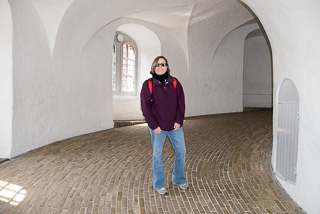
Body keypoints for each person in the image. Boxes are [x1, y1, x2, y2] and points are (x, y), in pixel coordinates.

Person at [140, 56, 188, 195]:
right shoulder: (148, 84)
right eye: (157, 65)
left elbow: (181, 103)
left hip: (175, 126)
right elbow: (145, 107)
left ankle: (178, 179)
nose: (160, 67)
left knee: (181, 151)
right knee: (157, 155)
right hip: (158, 128)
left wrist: (179, 120)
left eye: (163, 64)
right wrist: (154, 125)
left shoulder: (175, 83)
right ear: (153, 67)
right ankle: (159, 184)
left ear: (167, 66)